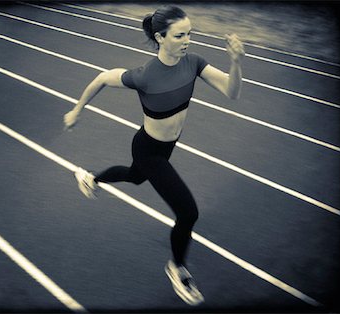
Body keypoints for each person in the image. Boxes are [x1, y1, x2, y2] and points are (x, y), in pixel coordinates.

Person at [64, 5, 244, 306]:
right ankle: (177, 268)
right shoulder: (145, 75)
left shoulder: (194, 63)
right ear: (160, 37)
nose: (187, 40)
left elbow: (232, 92)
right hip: (148, 149)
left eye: (190, 34)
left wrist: (236, 62)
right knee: (188, 212)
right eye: (179, 35)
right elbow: (102, 78)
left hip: (166, 147)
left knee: (135, 178)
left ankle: (91, 178)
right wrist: (77, 109)